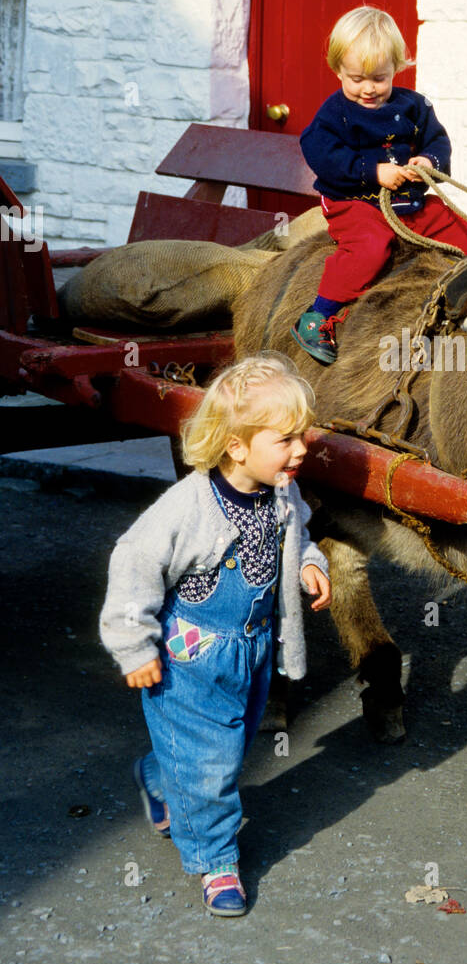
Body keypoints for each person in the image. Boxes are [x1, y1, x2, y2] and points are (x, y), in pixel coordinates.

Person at [99, 353, 330, 917]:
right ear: (237, 445)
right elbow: (134, 563)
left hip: (249, 651)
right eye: (285, 439)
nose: (301, 449)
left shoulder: (281, 493)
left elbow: (296, 535)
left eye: (303, 435)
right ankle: (216, 859)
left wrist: (308, 564)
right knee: (211, 769)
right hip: (189, 659)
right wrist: (133, 646)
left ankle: (158, 774)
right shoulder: (188, 507)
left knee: (229, 747)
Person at [292, 6, 467, 364]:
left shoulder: (415, 106)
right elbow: (322, 154)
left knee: (453, 224)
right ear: (338, 71)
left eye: (379, 78)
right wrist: (374, 171)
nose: (368, 89)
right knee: (369, 246)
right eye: (356, 79)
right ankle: (318, 314)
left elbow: (438, 141)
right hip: (355, 202)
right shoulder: (334, 114)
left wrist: (428, 161)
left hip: (407, 203)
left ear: (396, 68)